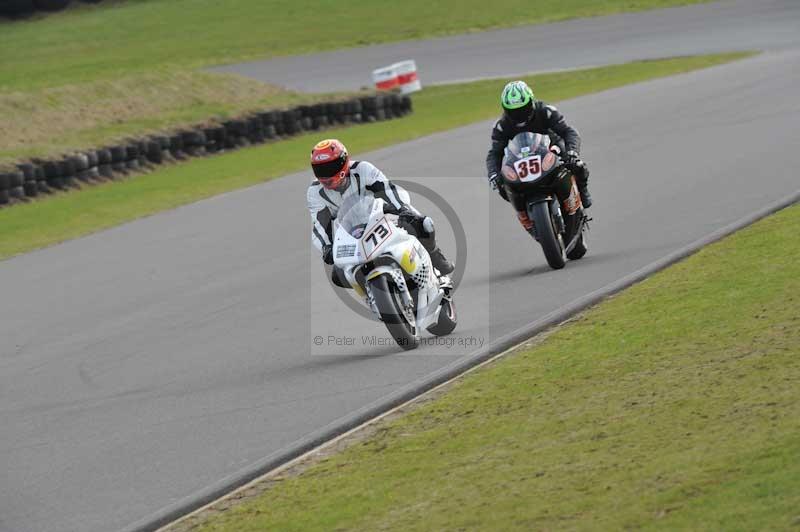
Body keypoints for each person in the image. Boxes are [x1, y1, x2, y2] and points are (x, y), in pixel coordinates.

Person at [307, 138, 455, 285]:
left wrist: (402, 209)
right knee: (337, 276)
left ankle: (436, 261)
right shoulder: (315, 192)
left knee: (423, 225)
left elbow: (388, 190)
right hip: (352, 233)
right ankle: (372, 294)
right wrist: (326, 247)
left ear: (343, 162)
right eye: (320, 169)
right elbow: (319, 224)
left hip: (383, 215)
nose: (325, 175)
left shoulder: (362, 169)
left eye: (329, 167)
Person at [485, 80, 592, 231]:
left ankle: (582, 190)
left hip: (551, 150)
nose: (518, 115)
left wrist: (572, 152)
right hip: (522, 159)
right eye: (513, 111)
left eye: (522, 109)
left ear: (531, 102)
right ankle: (524, 214)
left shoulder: (546, 112)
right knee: (502, 184)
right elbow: (494, 153)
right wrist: (493, 174)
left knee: (577, 165)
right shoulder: (502, 126)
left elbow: (569, 132)